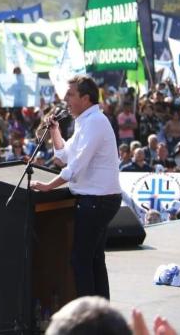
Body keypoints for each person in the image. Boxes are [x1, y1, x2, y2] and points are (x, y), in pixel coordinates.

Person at [30, 75, 122, 299]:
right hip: (96, 200)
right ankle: (100, 315)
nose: (65, 99)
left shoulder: (96, 122)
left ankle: (89, 320)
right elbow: (63, 157)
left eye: (70, 94)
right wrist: (54, 131)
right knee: (93, 259)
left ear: (86, 98)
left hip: (97, 201)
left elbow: (76, 167)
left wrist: (48, 186)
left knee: (81, 260)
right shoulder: (85, 121)